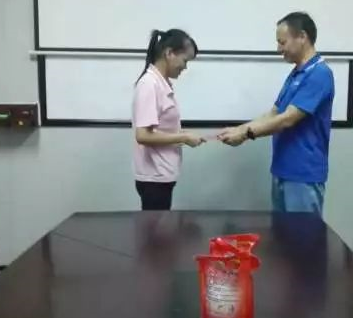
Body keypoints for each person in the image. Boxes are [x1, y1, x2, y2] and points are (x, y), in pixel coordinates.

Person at [218, 12, 334, 215]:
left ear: (302, 37)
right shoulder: (296, 73)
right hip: (282, 170)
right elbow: (273, 113)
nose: (278, 49)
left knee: (302, 234)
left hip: (303, 174)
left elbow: (288, 119)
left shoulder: (319, 74)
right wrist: (239, 129)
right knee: (282, 233)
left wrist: (245, 134)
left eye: (282, 42)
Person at [132, 29, 205, 210]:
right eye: (185, 60)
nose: (185, 67)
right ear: (169, 53)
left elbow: (161, 130)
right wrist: (184, 137)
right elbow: (143, 135)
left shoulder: (160, 83)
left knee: (161, 226)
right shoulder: (149, 84)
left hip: (161, 175)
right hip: (154, 179)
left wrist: (184, 134)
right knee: (156, 228)